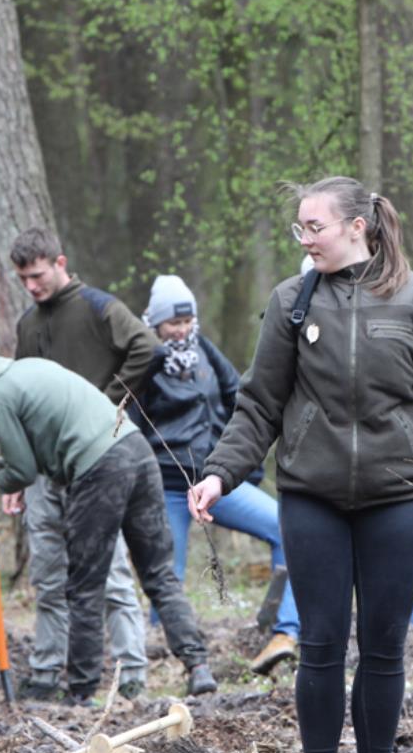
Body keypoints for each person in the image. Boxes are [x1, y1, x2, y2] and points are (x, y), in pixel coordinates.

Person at [191, 176, 413, 753]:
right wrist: (220, 473)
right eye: (299, 228)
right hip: (313, 499)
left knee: (386, 645)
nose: (304, 239)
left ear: (356, 227)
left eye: (315, 227)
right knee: (322, 643)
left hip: (397, 498)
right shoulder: (292, 302)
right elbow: (259, 405)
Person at [0, 345, 217, 703]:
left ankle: (82, 691)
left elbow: (23, 472)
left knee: (85, 585)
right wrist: (0, 464)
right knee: (158, 574)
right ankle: (198, 666)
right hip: (136, 450)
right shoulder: (28, 368)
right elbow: (45, 445)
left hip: (100, 470)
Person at [10, 228, 160, 700]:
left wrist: (108, 402)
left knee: (111, 574)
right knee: (49, 576)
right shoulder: (28, 325)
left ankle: (131, 673)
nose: (31, 286)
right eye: (23, 279)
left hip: (97, 462)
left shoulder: (98, 308)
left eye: (38, 275)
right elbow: (20, 397)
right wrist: (18, 470)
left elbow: (146, 347)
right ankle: (45, 671)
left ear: (60, 262)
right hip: (45, 467)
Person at [127, 274, 301, 676]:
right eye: (173, 323)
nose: (181, 330)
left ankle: (283, 630)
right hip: (166, 486)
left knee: (286, 529)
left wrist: (238, 466)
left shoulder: (205, 351)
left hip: (213, 483)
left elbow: (242, 400)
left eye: (187, 321)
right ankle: (166, 654)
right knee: (167, 573)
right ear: (155, 323)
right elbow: (129, 424)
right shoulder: (143, 360)